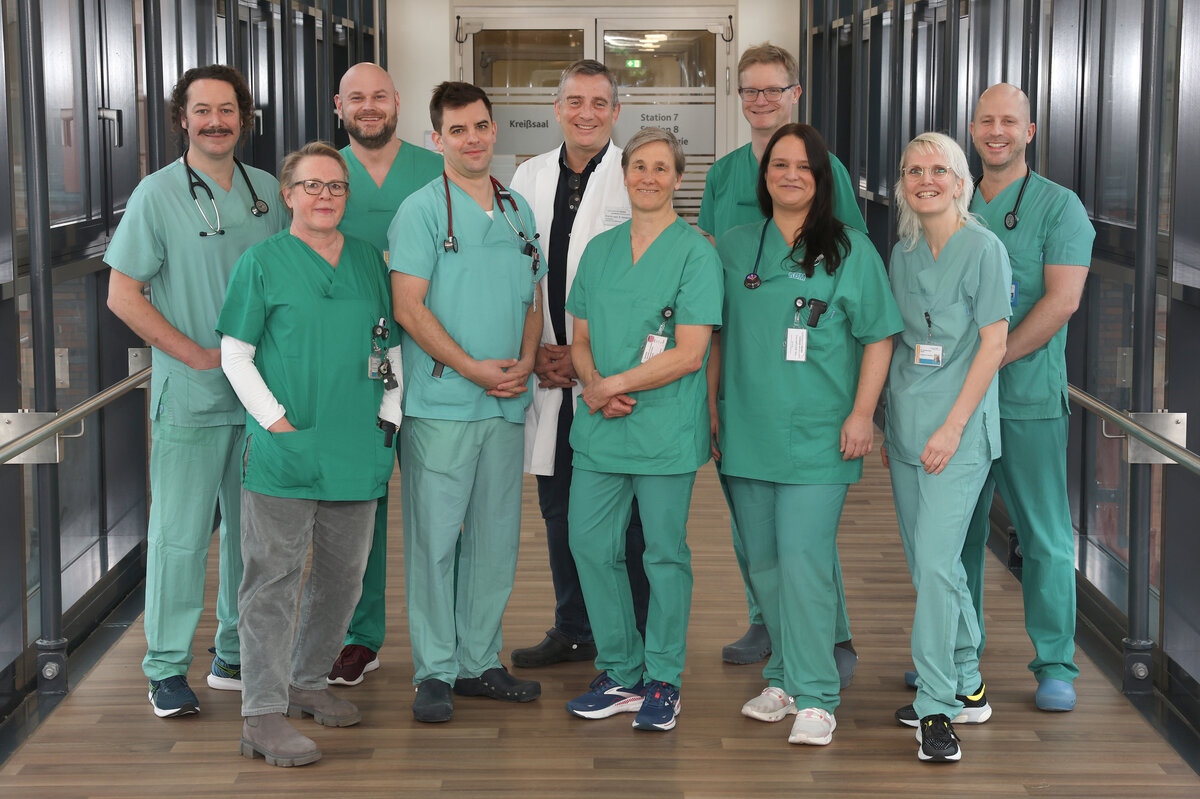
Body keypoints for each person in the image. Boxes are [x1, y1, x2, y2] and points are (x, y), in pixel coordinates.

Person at [105, 65, 288, 718]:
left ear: (245, 117)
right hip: (191, 394)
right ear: (182, 117)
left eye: (228, 109)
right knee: (180, 537)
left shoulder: (267, 191)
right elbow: (122, 293)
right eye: (202, 109)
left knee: (253, 535)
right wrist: (195, 355)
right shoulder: (155, 196)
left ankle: (235, 651)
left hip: (260, 398)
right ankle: (165, 668)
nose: (216, 121)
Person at [710, 124, 902, 746]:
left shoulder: (850, 249)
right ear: (764, 177)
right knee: (763, 563)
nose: (790, 175)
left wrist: (862, 414)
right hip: (746, 428)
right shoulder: (736, 246)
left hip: (821, 433)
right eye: (779, 165)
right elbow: (712, 334)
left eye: (804, 168)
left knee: (804, 560)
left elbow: (878, 336)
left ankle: (818, 695)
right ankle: (784, 677)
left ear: (822, 181)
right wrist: (712, 409)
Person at [218, 141, 398, 767]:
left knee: (343, 578)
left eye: (336, 187)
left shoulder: (371, 262)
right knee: (271, 580)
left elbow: (389, 347)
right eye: (312, 186)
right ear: (289, 194)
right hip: (286, 447)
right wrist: (276, 422)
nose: (325, 196)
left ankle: (308, 681)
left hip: (357, 444)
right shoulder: (263, 262)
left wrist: (389, 420)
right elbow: (235, 353)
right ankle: (261, 713)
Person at [698, 42, 864, 672]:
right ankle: (766, 622)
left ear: (796, 94)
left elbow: (846, 270)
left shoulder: (828, 170)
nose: (762, 100)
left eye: (774, 89)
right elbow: (710, 276)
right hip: (742, 372)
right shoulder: (721, 175)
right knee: (752, 515)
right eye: (751, 91)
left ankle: (833, 633)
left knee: (805, 526)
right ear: (740, 99)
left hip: (807, 375)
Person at [388, 81, 545, 723]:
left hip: (506, 403)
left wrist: (529, 360)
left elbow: (532, 302)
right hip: (445, 404)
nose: (473, 138)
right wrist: (474, 370)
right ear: (437, 139)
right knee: (434, 541)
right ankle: (434, 669)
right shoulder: (421, 210)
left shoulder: (516, 210)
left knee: (494, 539)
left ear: (494, 129)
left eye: (481, 126)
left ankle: (479, 660)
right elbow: (407, 306)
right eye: (458, 130)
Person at [563, 128, 722, 733]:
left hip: (663, 429)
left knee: (662, 554)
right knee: (590, 545)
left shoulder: (695, 253)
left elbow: (690, 352)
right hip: (602, 427)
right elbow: (578, 339)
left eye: (661, 168)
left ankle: (662, 678)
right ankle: (620, 670)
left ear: (678, 179)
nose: (648, 177)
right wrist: (594, 384)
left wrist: (610, 384)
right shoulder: (600, 251)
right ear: (623, 175)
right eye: (638, 167)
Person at [508, 60, 650, 669]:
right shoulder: (527, 175)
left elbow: (649, 282)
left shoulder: (635, 176)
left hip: (607, 372)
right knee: (559, 508)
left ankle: (635, 635)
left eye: (599, 102)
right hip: (545, 370)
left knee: (628, 519)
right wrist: (534, 349)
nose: (586, 113)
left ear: (617, 112)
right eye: (575, 101)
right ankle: (573, 626)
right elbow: (515, 273)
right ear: (558, 108)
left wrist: (590, 361)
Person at [961, 83, 1095, 712]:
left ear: (1029, 132)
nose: (996, 131)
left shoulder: (1060, 207)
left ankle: (1055, 664)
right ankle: (955, 658)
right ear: (972, 127)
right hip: (955, 401)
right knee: (954, 534)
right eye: (986, 120)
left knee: (1043, 536)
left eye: (1008, 122)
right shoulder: (949, 198)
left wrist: (995, 359)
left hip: (1026, 397)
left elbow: (1061, 301)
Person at [883, 132, 1011, 762]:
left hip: (956, 432)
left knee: (935, 567)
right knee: (932, 568)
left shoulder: (984, 249)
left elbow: (993, 345)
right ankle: (967, 680)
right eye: (913, 170)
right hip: (906, 427)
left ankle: (936, 707)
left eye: (938, 169)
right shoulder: (904, 252)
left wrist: (954, 425)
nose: (925, 179)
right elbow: (900, 343)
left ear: (961, 181)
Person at [326, 62, 443, 688]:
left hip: (430, 359)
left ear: (398, 102)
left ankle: (444, 640)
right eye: (356, 98)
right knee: (359, 503)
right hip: (352, 365)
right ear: (338, 106)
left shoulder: (438, 169)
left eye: (379, 97)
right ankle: (359, 636)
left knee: (438, 509)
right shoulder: (324, 174)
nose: (368, 107)